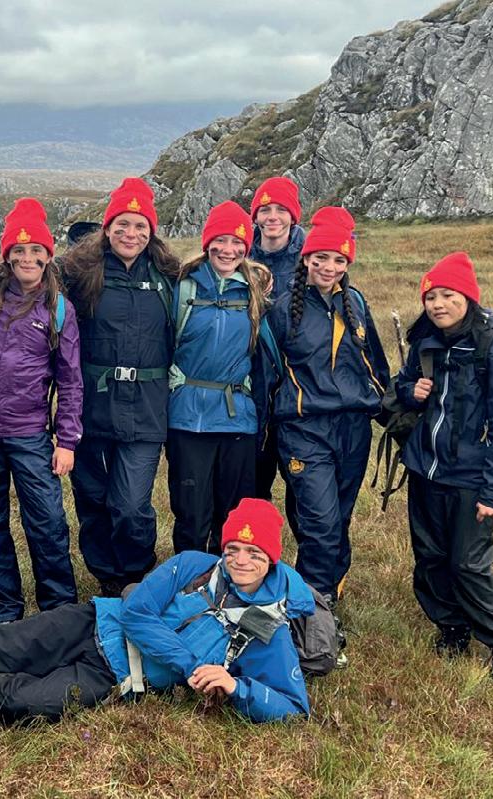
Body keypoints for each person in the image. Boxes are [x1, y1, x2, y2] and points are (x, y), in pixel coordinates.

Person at [0, 498, 313, 724]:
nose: (239, 560)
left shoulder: (266, 628)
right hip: (87, 623)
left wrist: (237, 687)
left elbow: (294, 708)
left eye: (254, 553)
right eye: (233, 549)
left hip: (113, 676)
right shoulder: (193, 565)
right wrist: (188, 666)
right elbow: (136, 613)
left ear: (272, 559)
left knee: (22, 704)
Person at [0, 178, 179, 597]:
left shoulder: (170, 275)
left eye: (140, 226)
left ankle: (135, 576)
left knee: (131, 505)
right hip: (92, 407)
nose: (130, 233)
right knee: (92, 499)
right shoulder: (79, 270)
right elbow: (27, 261)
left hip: (147, 408)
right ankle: (105, 577)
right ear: (107, 228)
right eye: (121, 224)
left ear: (151, 232)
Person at [392, 252, 493, 679]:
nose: (438, 305)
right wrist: (411, 391)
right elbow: (402, 388)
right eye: (430, 297)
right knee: (430, 558)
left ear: (468, 297)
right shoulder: (425, 343)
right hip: (425, 470)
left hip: (472, 478)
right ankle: (451, 627)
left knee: (468, 564)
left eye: (447, 295)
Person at [0, 197, 83, 624]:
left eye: (36, 250)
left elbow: (71, 379)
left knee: (47, 523)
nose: (27, 258)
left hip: (29, 434)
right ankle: (4, 612)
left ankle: (58, 611)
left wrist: (67, 440)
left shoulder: (58, 308)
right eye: (18, 250)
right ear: (6, 255)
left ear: (48, 255)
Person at [264, 206, 390, 660]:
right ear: (306, 258)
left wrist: (394, 408)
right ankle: (312, 624)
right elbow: (267, 371)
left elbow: (376, 367)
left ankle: (324, 600)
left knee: (338, 520)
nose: (329, 267)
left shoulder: (356, 305)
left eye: (339, 260)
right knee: (320, 524)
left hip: (353, 429)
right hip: (304, 429)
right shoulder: (283, 310)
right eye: (320, 258)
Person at [166, 200, 271, 555]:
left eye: (237, 242)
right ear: (207, 243)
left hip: (237, 417)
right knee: (191, 513)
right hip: (188, 417)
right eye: (220, 240)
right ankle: (190, 578)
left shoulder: (256, 291)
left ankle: (228, 579)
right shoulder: (183, 288)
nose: (228, 250)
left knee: (234, 514)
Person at [247, 176, 306, 502]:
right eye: (265, 209)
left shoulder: (311, 257)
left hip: (297, 384)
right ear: (255, 216)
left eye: (281, 209)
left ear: (293, 215)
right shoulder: (237, 252)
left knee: (303, 485)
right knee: (253, 481)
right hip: (250, 380)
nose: (273, 217)